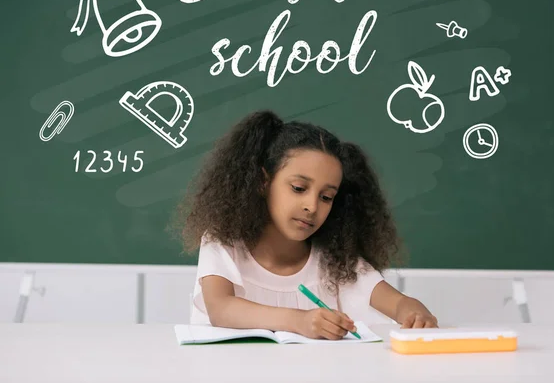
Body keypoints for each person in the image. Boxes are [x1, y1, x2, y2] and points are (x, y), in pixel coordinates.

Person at [174, 110, 437, 340]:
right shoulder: (223, 241)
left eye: (326, 197)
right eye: (299, 188)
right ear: (263, 182)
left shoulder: (336, 261)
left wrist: (412, 310)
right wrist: (299, 320)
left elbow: (398, 303)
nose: (312, 206)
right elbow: (221, 309)